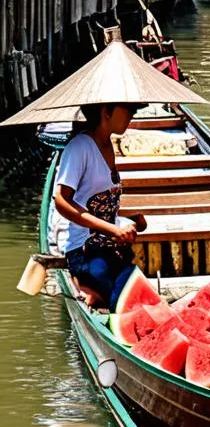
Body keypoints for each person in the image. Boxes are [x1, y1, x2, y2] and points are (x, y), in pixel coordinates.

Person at [53, 102, 148, 309]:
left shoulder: (107, 145)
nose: (132, 114)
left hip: (109, 248)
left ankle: (96, 294)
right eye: (128, 109)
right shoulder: (79, 148)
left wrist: (130, 220)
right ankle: (89, 289)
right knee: (120, 300)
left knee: (133, 285)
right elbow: (61, 200)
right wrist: (113, 229)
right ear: (106, 112)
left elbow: (101, 205)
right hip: (85, 250)